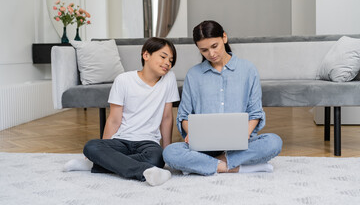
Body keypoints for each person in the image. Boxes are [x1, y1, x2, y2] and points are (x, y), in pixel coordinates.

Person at [163, 20, 283, 175]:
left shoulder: (248, 69)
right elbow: (184, 116)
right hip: (204, 147)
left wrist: (244, 133)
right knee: (170, 153)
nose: (211, 54)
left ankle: (207, 165)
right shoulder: (193, 75)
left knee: (273, 142)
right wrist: (191, 133)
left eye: (215, 46)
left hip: (241, 145)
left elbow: (255, 113)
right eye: (204, 50)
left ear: (224, 38)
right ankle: (235, 167)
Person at [64, 37, 180, 186]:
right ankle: (143, 170)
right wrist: (103, 145)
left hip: (148, 142)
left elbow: (167, 117)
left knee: (156, 159)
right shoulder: (123, 80)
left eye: (171, 60)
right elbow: (114, 119)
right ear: (146, 55)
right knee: (91, 146)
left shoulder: (169, 79)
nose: (167, 63)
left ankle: (99, 164)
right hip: (121, 140)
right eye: (163, 57)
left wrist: (166, 151)